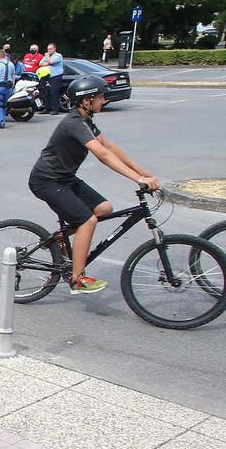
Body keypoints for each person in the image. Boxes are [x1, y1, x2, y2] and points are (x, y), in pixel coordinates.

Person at [28, 75, 160, 295]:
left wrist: (144, 173)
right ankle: (77, 280)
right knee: (87, 221)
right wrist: (137, 180)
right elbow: (103, 154)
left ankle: (57, 240)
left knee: (104, 209)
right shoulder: (74, 123)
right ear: (86, 101)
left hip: (65, 178)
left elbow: (110, 146)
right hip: (47, 181)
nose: (104, 101)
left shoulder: (86, 120)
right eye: (100, 97)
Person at [42, 43, 65, 115]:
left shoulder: (58, 56)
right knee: (46, 93)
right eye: (48, 49)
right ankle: (47, 108)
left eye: (50, 49)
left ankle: (55, 109)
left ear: (54, 49)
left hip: (56, 77)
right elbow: (40, 63)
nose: (49, 50)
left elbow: (51, 62)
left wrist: (47, 58)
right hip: (47, 77)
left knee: (54, 93)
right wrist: (48, 62)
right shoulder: (47, 56)